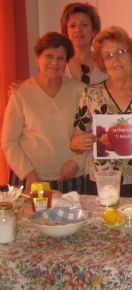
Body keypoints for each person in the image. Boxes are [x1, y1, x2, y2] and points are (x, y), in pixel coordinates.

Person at [70, 26, 132, 198]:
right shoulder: (91, 95)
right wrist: (80, 142)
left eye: (120, 52)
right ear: (102, 63)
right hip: (102, 182)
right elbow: (74, 139)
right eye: (108, 56)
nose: (115, 59)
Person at [2, 32, 86, 193]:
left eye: (61, 58)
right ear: (37, 59)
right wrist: (29, 175)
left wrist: (77, 162)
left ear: (66, 62)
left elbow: (92, 133)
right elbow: (9, 141)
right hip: (30, 179)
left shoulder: (81, 91)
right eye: (49, 56)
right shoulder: (21, 93)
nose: (54, 63)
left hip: (71, 177)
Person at [60, 2, 107, 85]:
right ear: (66, 31)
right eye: (72, 26)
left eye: (84, 25)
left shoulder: (105, 61)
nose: (78, 30)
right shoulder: (59, 63)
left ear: (94, 31)